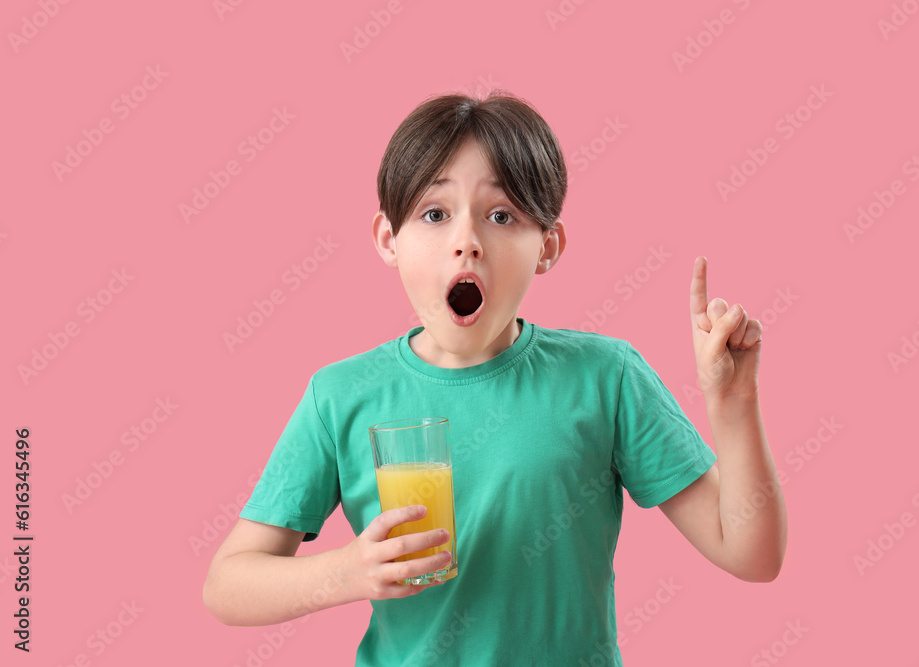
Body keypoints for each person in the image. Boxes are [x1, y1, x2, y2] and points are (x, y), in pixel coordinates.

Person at [202, 90, 787, 665]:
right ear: (389, 240)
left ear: (548, 246)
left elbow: (753, 555)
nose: (467, 243)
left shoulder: (606, 377)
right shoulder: (340, 396)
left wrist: (734, 402)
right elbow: (228, 586)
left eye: (501, 215)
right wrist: (346, 573)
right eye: (434, 214)